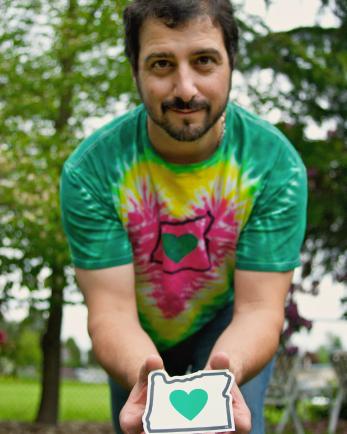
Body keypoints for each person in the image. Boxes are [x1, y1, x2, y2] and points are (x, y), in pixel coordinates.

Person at [60, 1, 307, 433]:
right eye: (161, 64)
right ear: (135, 71)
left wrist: (222, 375)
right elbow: (112, 311)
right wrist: (148, 376)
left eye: (205, 61)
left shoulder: (275, 167)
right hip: (136, 329)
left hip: (229, 322)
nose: (185, 88)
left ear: (232, 63)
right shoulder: (91, 171)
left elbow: (259, 308)